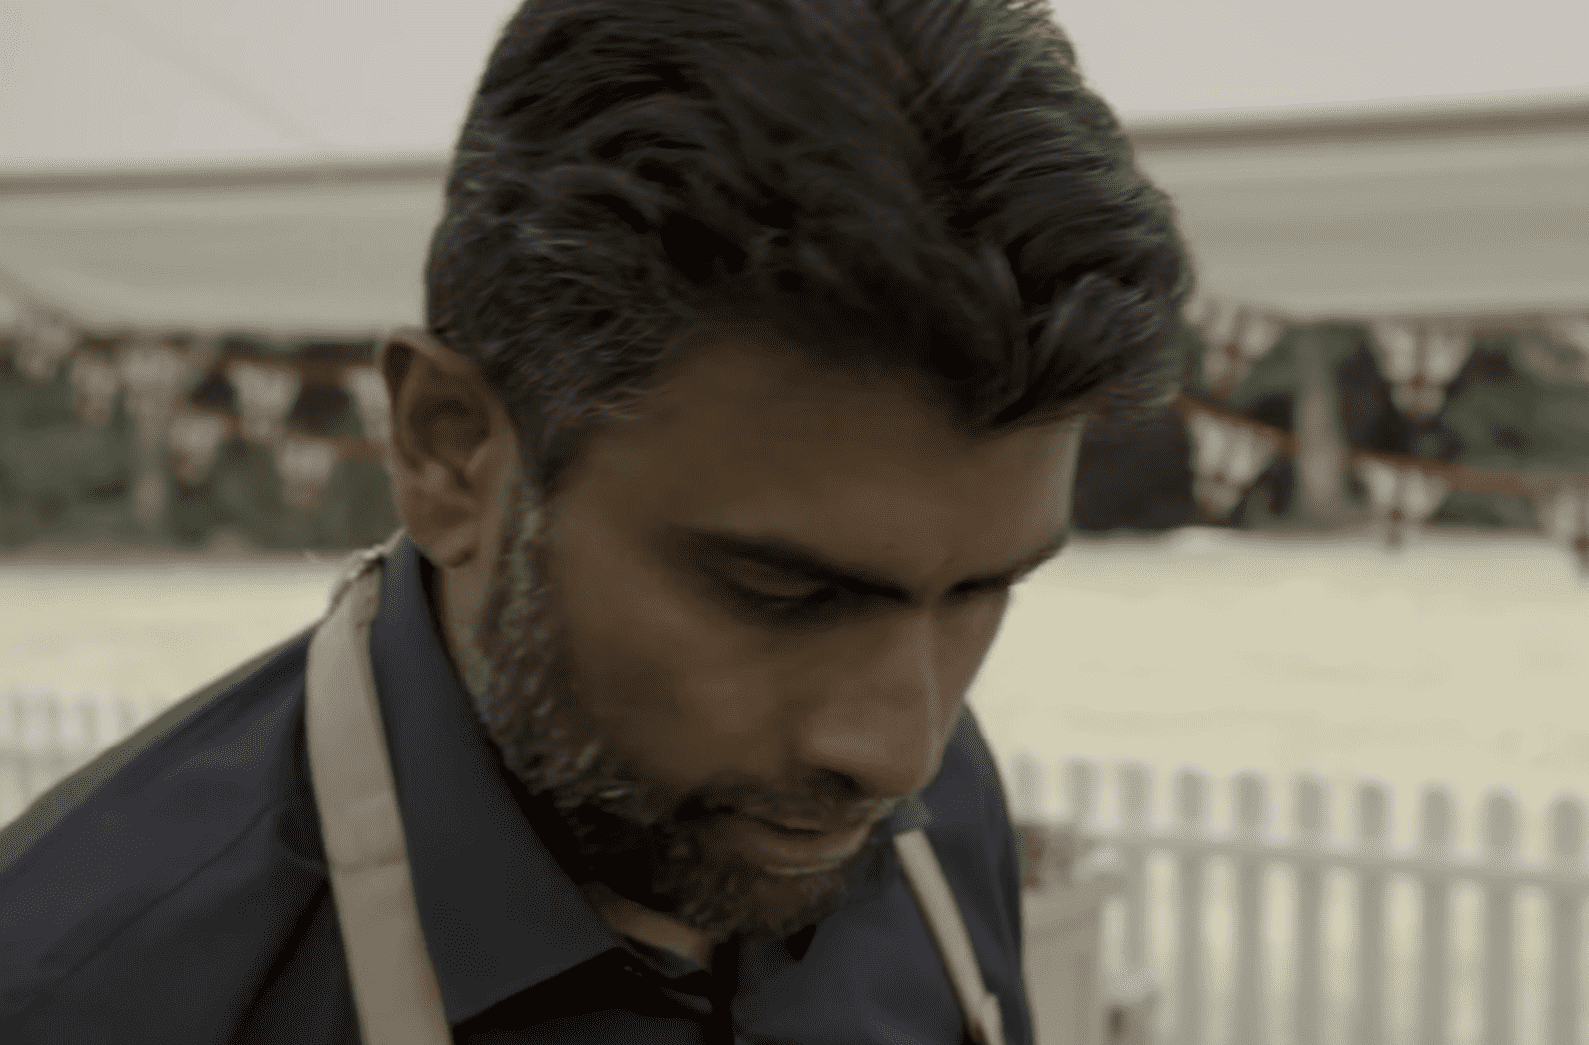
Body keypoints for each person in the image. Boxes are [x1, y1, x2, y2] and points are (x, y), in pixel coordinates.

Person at [0, 0, 1190, 1041]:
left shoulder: (939, 813)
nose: (899, 752)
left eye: (981, 590)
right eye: (780, 593)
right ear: (450, 452)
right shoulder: (83, 994)